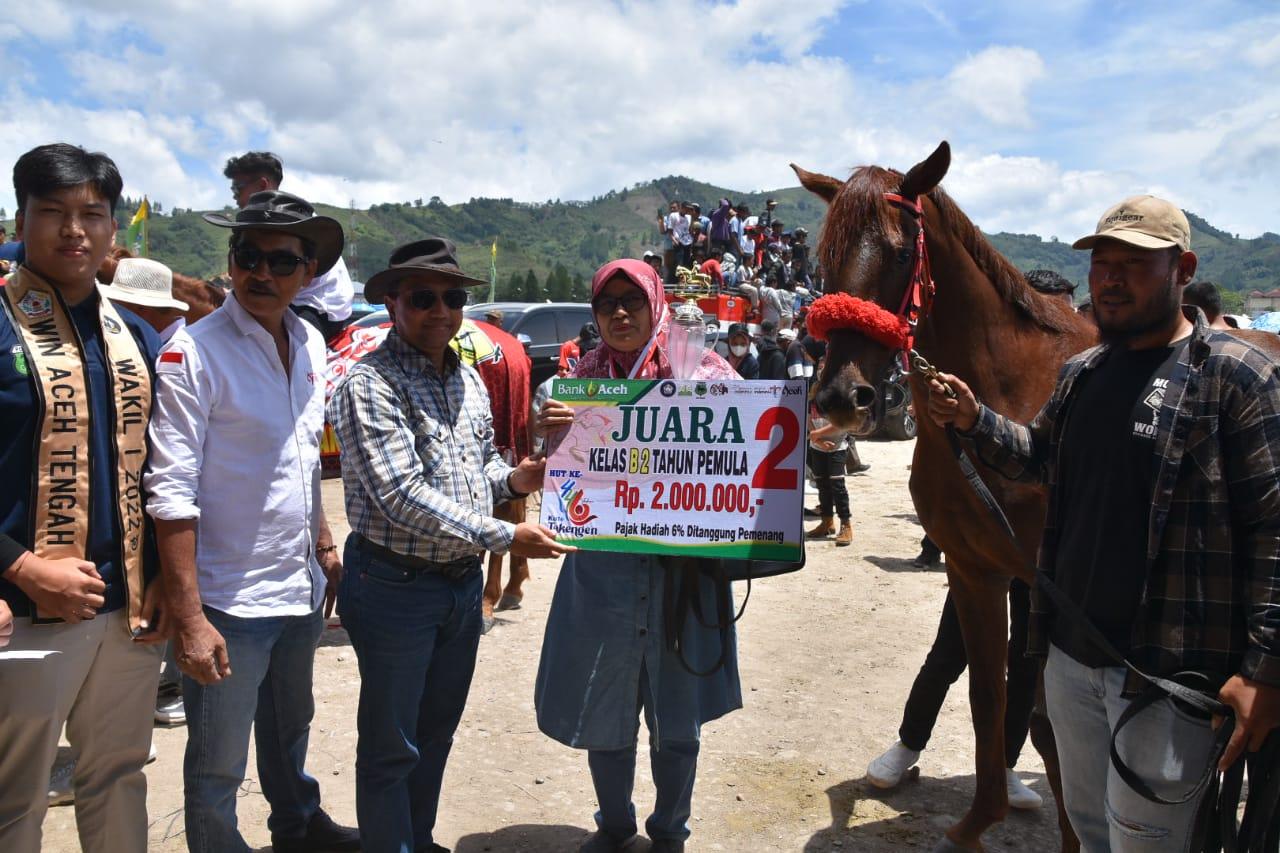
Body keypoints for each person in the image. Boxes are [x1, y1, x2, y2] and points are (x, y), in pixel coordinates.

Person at [925, 195, 1280, 851]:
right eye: (1102, 264)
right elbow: (1037, 459)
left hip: (1169, 675)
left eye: (1133, 264)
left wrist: (1265, 667)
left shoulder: (1237, 375)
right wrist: (974, 419)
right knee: (1089, 834)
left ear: (1183, 269)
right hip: (1069, 659)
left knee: (1149, 841)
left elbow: (1274, 529)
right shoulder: (1083, 372)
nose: (1110, 278)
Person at [329, 237, 569, 853]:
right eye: (422, 298)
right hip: (393, 585)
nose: (440, 310)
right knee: (391, 743)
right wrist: (505, 534)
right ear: (390, 301)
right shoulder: (369, 385)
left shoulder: (465, 377)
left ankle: (418, 839)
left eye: (452, 297)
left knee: (435, 732)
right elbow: (401, 497)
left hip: (457, 586)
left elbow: (481, 465)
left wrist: (519, 479)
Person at [146, 191, 358, 853]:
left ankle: (296, 823)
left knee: (290, 728)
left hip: (295, 587)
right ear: (230, 259)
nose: (260, 273)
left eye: (280, 260)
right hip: (227, 598)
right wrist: (190, 615)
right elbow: (170, 493)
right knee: (216, 762)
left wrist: (323, 537)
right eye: (247, 255)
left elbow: (298, 457)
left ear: (309, 270)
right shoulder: (194, 355)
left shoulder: (312, 344)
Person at [533, 258, 743, 853]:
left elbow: (745, 450)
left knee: (678, 720)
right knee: (606, 708)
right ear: (595, 314)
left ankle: (670, 830)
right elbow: (558, 480)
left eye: (633, 300)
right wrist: (552, 431)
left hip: (683, 577)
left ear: (656, 305)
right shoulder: (575, 385)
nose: (620, 313)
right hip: (602, 576)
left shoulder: (705, 370)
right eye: (607, 303)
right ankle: (615, 824)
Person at [0, 143, 165, 853]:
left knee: (118, 775)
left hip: (126, 607)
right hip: (26, 610)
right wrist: (16, 567)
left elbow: (163, 470)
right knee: (14, 796)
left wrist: (160, 575)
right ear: (21, 218)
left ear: (112, 228)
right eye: (55, 213)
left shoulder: (140, 336)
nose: (74, 230)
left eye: (91, 214)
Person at [865, 580, 1042, 808]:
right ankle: (909, 743)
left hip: (1037, 566)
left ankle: (1003, 766)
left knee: (1027, 665)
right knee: (947, 655)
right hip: (980, 559)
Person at [223, 151, 354, 341]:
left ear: (262, 185)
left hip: (318, 305)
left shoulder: (300, 226)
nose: (234, 196)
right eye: (247, 257)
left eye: (238, 188)